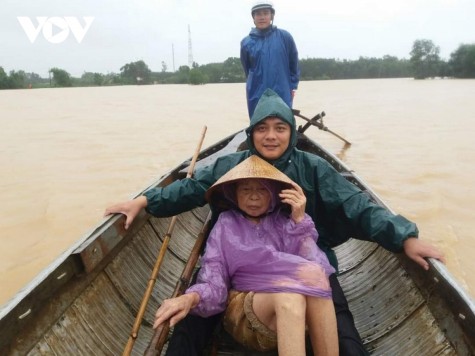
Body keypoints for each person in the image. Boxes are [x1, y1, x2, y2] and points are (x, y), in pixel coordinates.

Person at [104, 88, 445, 355]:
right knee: (192, 322)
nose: (271, 136)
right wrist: (146, 200)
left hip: (303, 255)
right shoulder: (231, 167)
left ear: (292, 133)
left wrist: (403, 237)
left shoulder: (313, 167)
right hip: (235, 262)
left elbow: (356, 205)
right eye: (262, 128)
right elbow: (191, 189)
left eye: (280, 128)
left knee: (341, 324)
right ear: (251, 133)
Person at [153, 155, 338, 356]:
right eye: (246, 190)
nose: (254, 197)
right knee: (289, 298)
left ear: (274, 194)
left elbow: (316, 266)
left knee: (317, 284)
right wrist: (190, 298)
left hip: (289, 317)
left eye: (261, 190)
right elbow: (214, 280)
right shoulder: (226, 224)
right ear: (234, 194)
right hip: (245, 311)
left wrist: (299, 221)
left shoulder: (286, 223)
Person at [240, 1, 300, 117]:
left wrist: (292, 87)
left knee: (283, 121)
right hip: (256, 92)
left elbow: (294, 64)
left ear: (272, 16)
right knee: (259, 123)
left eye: (265, 13)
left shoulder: (285, 37)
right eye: (258, 14)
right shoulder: (246, 43)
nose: (262, 17)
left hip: (282, 90)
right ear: (253, 17)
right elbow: (247, 68)